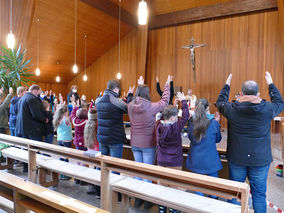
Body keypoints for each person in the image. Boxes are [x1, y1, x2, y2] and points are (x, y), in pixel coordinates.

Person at [215, 72, 284, 213]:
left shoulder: (231, 109)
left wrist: (227, 84)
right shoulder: (268, 109)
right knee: (259, 195)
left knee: (235, 193)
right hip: (260, 159)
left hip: (237, 158)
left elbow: (220, 102)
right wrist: (270, 83)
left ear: (241, 93)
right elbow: (280, 103)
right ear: (258, 94)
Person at [128, 75, 170, 209]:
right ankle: (146, 201)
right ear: (147, 94)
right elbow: (165, 101)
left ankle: (138, 199)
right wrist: (167, 85)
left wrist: (139, 85)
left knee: (138, 172)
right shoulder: (151, 106)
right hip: (147, 143)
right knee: (146, 172)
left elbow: (131, 99)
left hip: (135, 143)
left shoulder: (129, 106)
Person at [156, 92, 189, 213]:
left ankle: (161, 208)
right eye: (176, 116)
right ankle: (173, 208)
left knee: (162, 186)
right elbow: (186, 116)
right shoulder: (176, 127)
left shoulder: (159, 126)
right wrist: (183, 101)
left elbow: (161, 117)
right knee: (174, 187)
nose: (177, 117)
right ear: (172, 118)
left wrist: (170, 108)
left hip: (161, 161)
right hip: (174, 161)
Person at [186, 99, 222, 197]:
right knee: (214, 186)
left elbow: (191, 138)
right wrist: (217, 122)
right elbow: (218, 139)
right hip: (211, 159)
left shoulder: (192, 123)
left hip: (196, 159)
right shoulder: (213, 123)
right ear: (207, 109)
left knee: (199, 187)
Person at [53, 104, 73, 180]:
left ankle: (61, 174)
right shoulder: (66, 119)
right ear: (65, 112)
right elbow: (69, 128)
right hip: (67, 139)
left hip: (60, 139)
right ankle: (65, 174)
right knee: (66, 157)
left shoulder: (57, 119)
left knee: (61, 156)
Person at [84, 108, 100, 195]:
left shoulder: (87, 123)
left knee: (92, 169)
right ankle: (98, 191)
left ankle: (91, 187)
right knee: (98, 170)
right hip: (97, 149)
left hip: (89, 148)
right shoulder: (97, 124)